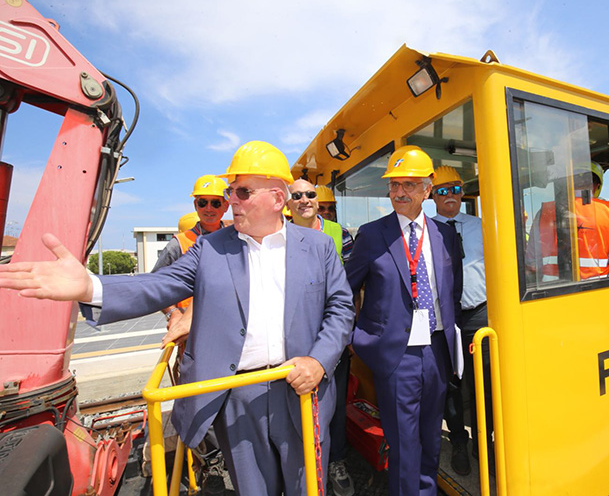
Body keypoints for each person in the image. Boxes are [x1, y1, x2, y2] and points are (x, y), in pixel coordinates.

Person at [0, 141, 355, 496]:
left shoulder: (318, 247)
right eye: (230, 191)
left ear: (278, 199)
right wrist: (91, 288)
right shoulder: (211, 248)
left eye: (242, 192)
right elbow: (159, 284)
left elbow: (340, 310)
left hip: (301, 389)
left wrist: (317, 362)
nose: (231, 199)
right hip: (236, 396)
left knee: (307, 486)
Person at [346, 145, 462, 495]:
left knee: (430, 437)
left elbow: (451, 291)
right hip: (396, 355)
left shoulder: (445, 235)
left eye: (409, 185)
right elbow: (344, 289)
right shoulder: (372, 234)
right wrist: (356, 337)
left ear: (428, 189)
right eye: (394, 185)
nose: (399, 192)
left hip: (437, 349)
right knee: (404, 444)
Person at [287, 178, 354, 496]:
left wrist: (349, 333)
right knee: (289, 413)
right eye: (296, 195)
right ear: (287, 203)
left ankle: (335, 461)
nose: (304, 200)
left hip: (333, 340)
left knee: (335, 406)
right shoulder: (275, 236)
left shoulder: (341, 235)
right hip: (292, 342)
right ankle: (298, 474)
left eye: (310, 195)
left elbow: (354, 288)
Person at [430, 165, 491, 476]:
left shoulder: (481, 226)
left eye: (454, 188)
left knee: (485, 385)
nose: (449, 195)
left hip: (480, 314)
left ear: (462, 191)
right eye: (441, 190)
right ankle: (458, 443)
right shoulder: (426, 231)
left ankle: (485, 445)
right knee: (451, 385)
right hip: (446, 318)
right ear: (432, 195)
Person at [153, 175, 229, 346]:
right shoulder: (178, 244)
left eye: (215, 203)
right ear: (195, 205)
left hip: (228, 328)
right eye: (203, 202)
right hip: (191, 334)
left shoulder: (237, 239)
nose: (209, 208)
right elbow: (156, 284)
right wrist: (172, 313)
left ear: (226, 205)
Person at [526, 162, 609, 281]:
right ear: (596, 186)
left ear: (568, 184)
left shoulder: (544, 212)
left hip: (553, 290)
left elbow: (531, 261)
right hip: (600, 289)